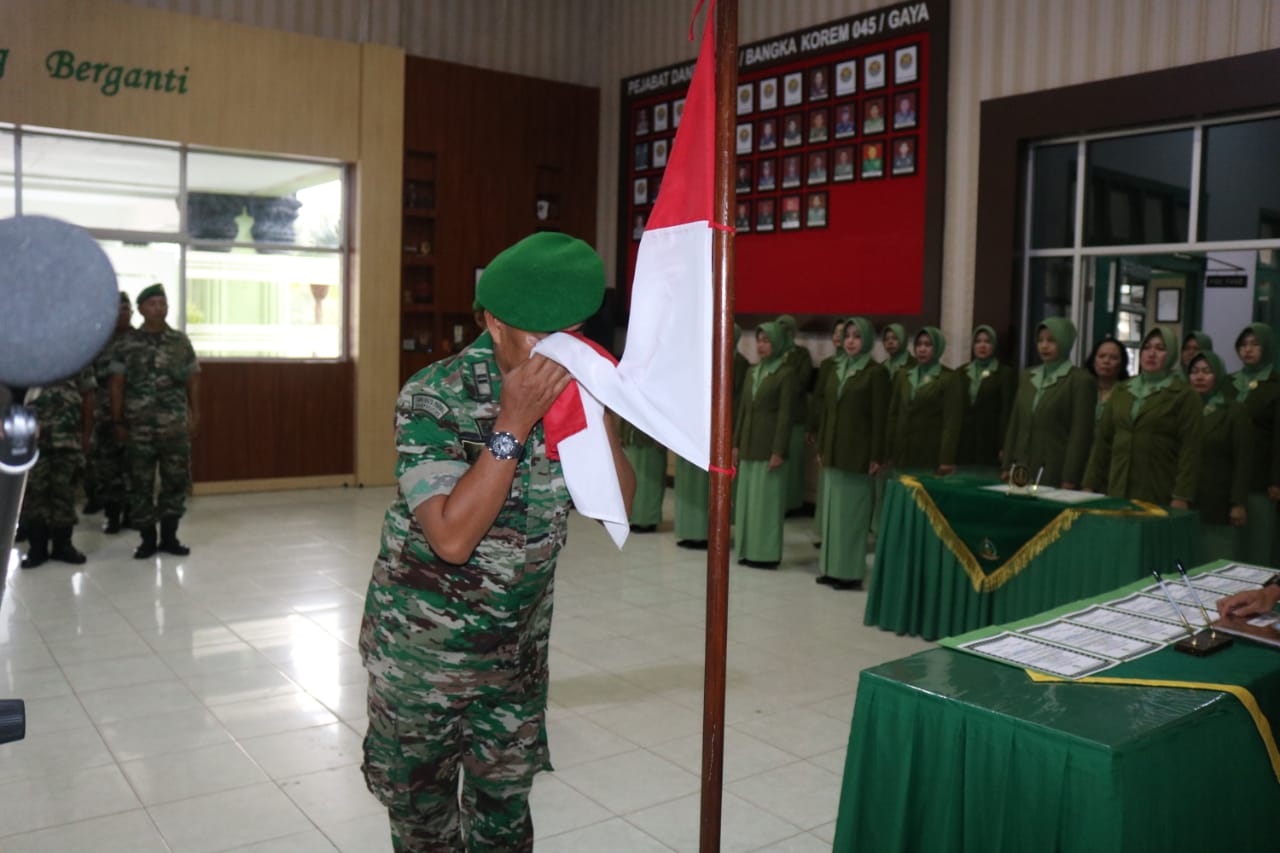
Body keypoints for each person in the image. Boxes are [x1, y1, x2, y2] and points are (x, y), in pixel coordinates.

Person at [359, 232, 635, 853]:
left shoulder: (576, 388)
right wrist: (512, 423)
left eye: (570, 334)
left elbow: (617, 504)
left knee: (503, 824)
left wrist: (598, 418)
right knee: (424, 826)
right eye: (538, 335)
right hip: (422, 662)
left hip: (513, 662)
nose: (554, 354)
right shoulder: (434, 396)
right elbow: (452, 537)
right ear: (491, 320)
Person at [110, 283, 201, 559]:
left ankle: (170, 537)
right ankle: (147, 539)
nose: (159, 308)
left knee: (175, 481)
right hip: (139, 428)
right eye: (153, 304)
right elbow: (117, 384)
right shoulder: (127, 344)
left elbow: (193, 378)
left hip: (174, 426)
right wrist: (118, 421)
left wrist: (195, 413)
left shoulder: (180, 342)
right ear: (141, 309)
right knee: (140, 483)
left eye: (163, 303)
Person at [1083, 327, 1201, 506]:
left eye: (1160, 349)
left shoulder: (1183, 394)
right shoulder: (1123, 390)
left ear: (1171, 355)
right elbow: (1103, 442)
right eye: (1146, 348)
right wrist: (1089, 484)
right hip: (1118, 485)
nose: (1151, 354)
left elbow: (1190, 449)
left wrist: (1181, 495)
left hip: (1159, 487)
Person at [814, 317, 887, 590]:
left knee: (852, 518)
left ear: (866, 340)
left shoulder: (874, 372)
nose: (851, 341)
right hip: (833, 451)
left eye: (857, 336)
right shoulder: (836, 369)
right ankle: (831, 568)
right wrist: (822, 446)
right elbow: (826, 411)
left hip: (858, 456)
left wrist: (877, 456)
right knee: (832, 516)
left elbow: (880, 419)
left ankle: (849, 573)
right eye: (848, 336)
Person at [1002, 318, 1094, 489]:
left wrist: (1071, 476)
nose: (1044, 346)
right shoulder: (1028, 376)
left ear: (1065, 342)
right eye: (1040, 340)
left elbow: (1080, 434)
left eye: (1051, 340)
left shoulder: (1080, 380)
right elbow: (1015, 422)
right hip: (1021, 465)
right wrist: (1007, 463)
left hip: (1055, 467)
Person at [18, 369, 95, 568]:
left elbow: (88, 396)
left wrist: (86, 433)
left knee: (65, 494)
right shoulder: (25, 358)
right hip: (33, 441)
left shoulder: (78, 357)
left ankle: (63, 546)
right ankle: (37, 549)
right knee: (35, 494)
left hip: (68, 439)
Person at [732, 322, 794, 568]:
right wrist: (735, 444)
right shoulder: (753, 371)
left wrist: (778, 450)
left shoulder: (786, 373)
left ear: (777, 343)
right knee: (747, 502)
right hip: (748, 445)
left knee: (766, 504)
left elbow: (785, 415)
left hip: (769, 447)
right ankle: (747, 549)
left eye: (767, 341)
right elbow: (743, 411)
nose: (761, 345)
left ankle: (766, 554)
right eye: (759, 340)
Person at [1187, 350, 1251, 563]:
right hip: (1186, 497)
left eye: (1206, 371)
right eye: (1194, 371)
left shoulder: (1234, 410)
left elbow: (1243, 459)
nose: (1199, 376)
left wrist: (1238, 502)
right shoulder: (1183, 407)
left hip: (1218, 499)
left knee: (1216, 557)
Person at [1230, 323, 1280, 564]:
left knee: (1258, 540)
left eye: (1255, 344)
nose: (1248, 350)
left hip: (1261, 477)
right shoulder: (1228, 383)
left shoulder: (1276, 385)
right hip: (1228, 473)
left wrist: (1275, 479)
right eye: (1243, 344)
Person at [85, 291, 134, 533]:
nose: (123, 314)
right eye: (118, 309)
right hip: (104, 416)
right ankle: (113, 516)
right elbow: (89, 382)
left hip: (137, 417)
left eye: (126, 309)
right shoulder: (98, 343)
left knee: (135, 468)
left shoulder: (140, 340)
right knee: (109, 468)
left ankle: (133, 515)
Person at [885, 327, 962, 474]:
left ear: (938, 347)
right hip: (901, 453)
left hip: (929, 455)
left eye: (928, 345)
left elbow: (951, 423)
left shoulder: (949, 378)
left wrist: (946, 459)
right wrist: (888, 451)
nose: (922, 349)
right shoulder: (903, 375)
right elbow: (893, 415)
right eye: (919, 344)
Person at [956, 325, 1015, 476]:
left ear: (994, 345)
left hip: (991, 442)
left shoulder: (1004, 374)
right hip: (964, 443)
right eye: (978, 341)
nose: (982, 345)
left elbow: (1007, 412)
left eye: (987, 341)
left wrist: (1004, 446)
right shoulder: (961, 372)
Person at [776, 314, 814, 516]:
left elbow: (800, 383)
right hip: (776, 418)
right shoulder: (773, 354)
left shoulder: (801, 355)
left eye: (786, 329)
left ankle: (792, 504)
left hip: (796, 417)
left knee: (793, 464)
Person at [621, 420, 665, 533]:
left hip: (651, 440)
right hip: (632, 438)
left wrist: (661, 436)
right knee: (636, 481)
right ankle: (635, 519)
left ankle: (649, 521)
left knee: (650, 484)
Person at [1085, 335, 1129, 421]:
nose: (1106, 361)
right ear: (1093, 360)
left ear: (1122, 363)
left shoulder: (1127, 392)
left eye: (1113, 358)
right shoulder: (1083, 388)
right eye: (1101, 356)